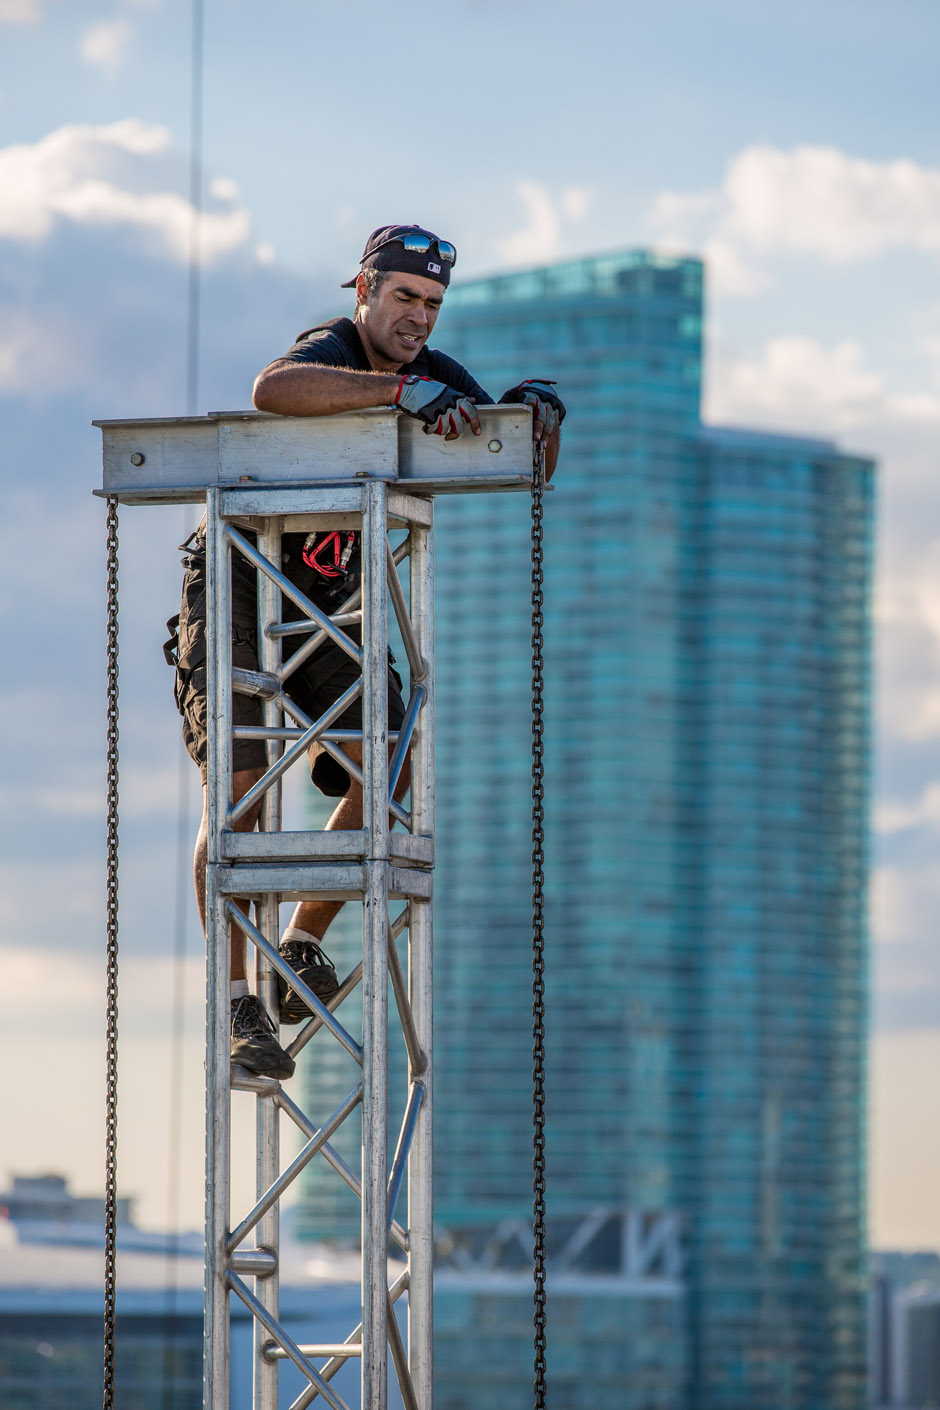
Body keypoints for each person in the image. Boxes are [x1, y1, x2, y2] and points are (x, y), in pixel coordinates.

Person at [168, 224, 565, 1080]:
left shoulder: (433, 373)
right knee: (237, 794)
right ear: (364, 290)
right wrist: (391, 398)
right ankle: (238, 999)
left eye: (431, 304)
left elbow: (498, 441)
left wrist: (530, 414)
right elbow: (273, 388)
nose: (418, 318)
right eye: (404, 298)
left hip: (324, 606)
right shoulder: (335, 350)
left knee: (390, 768)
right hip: (239, 579)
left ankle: (298, 945)